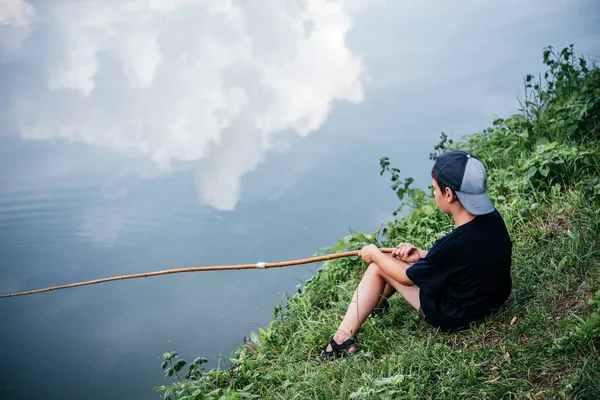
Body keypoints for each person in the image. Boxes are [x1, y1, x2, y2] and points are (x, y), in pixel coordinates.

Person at [321, 150, 512, 359]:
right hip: (492, 299)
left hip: (457, 315)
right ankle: (374, 302)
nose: (434, 194)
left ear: (448, 194)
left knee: (378, 267)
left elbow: (405, 277)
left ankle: (339, 342)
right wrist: (420, 255)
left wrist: (374, 254)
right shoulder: (492, 219)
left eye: (434, 189)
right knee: (392, 261)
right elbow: (460, 258)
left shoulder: (452, 245)